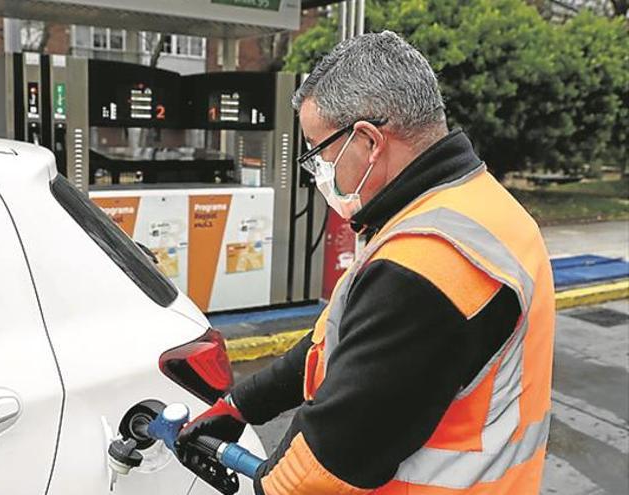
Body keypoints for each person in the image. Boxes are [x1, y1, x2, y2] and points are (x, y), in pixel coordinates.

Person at [176, 31, 555, 495]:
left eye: (319, 152)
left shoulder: (429, 264)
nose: (318, 171)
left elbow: (330, 463)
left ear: (369, 141)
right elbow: (340, 341)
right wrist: (242, 404)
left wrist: (270, 486)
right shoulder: (476, 205)